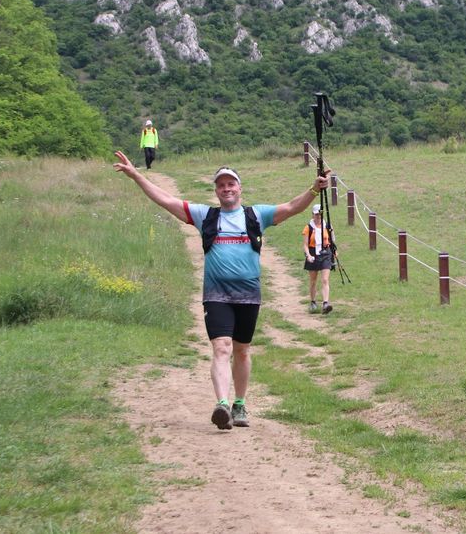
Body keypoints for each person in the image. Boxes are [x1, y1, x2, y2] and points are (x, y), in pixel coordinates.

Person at [112, 150, 329, 430]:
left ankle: (240, 404)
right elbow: (166, 200)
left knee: (242, 350)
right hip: (216, 295)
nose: (226, 189)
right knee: (221, 347)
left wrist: (314, 189)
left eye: (231, 184)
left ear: (239, 188)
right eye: (221, 185)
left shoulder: (256, 215)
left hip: (249, 294)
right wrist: (136, 175)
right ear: (215, 190)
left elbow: (291, 207)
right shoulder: (205, 216)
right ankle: (223, 405)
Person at [302, 204, 334, 314]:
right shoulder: (308, 228)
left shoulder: (327, 225)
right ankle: (313, 301)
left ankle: (326, 303)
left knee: (325, 279)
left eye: (320, 214)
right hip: (313, 253)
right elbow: (305, 245)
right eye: (316, 214)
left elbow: (332, 239)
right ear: (313, 214)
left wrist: (334, 251)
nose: (318, 216)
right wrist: (308, 255)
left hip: (326, 253)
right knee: (313, 281)